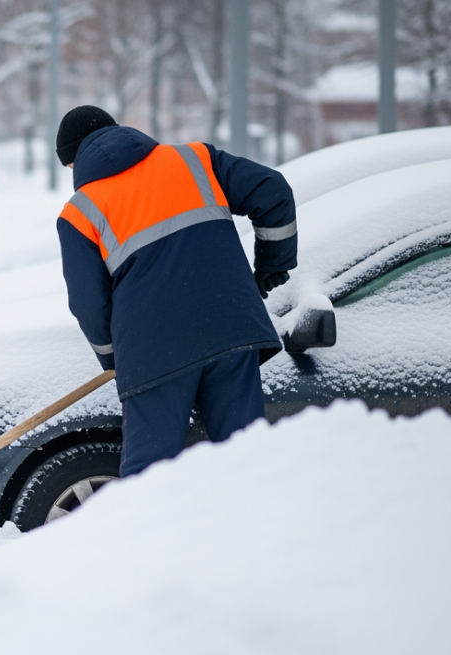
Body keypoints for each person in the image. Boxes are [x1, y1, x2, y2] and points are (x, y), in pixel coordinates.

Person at [53, 105, 296, 477]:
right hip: (231, 327)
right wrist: (272, 264)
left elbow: (88, 304)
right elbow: (273, 190)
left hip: (153, 352)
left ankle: (151, 537)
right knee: (246, 458)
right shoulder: (195, 159)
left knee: (149, 475)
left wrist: (114, 359)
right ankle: (255, 531)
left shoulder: (79, 212)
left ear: (73, 162)